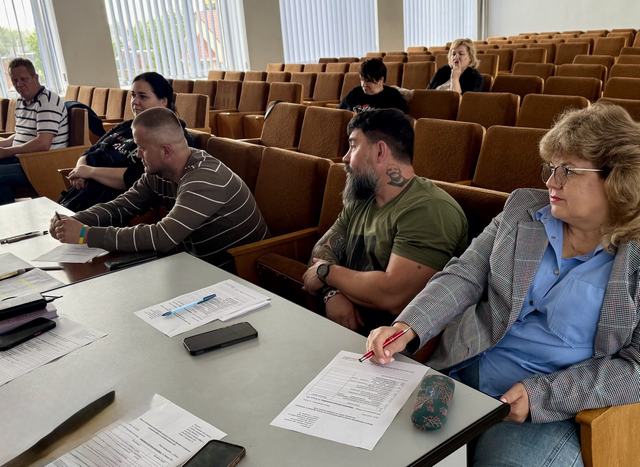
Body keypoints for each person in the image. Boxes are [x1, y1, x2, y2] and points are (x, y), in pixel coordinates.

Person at [367, 103, 640, 466]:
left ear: (617, 177)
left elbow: (635, 369)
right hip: (466, 365)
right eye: (551, 168)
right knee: (384, 447)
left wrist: (542, 395)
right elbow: (465, 274)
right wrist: (408, 325)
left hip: (551, 405)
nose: (551, 181)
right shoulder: (521, 208)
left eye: (567, 170)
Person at [302, 108, 467, 334]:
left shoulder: (429, 209)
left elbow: (393, 296)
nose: (345, 157)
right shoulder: (363, 198)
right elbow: (323, 249)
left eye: (353, 146)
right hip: (346, 331)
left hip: (396, 343)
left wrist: (327, 273)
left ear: (380, 151)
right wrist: (331, 293)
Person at [50, 107, 269, 269]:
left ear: (166, 151)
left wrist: (85, 234)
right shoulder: (158, 173)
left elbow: (162, 237)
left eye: (142, 148)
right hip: (198, 264)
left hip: (240, 269)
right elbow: (121, 206)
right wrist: (72, 221)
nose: (137, 154)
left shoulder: (204, 179)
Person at [59, 72, 191, 211]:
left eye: (142, 96)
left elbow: (136, 177)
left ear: (163, 101)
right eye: (133, 95)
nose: (135, 102)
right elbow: (89, 152)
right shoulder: (126, 126)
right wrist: (80, 172)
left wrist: (91, 172)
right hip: (80, 195)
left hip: (112, 205)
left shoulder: (172, 136)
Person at [0, 58, 68, 204]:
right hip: (22, 159)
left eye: (23, 79)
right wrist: (4, 144)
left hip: (41, 162)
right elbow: (21, 135)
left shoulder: (47, 101)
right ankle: (10, 215)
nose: (19, 84)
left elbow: (43, 143)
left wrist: (6, 152)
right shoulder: (21, 101)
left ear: (35, 77)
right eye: (15, 80)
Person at [338, 58, 409, 114]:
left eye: (368, 80)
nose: (363, 84)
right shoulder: (355, 93)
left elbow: (401, 120)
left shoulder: (393, 96)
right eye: (362, 80)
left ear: (381, 80)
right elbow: (340, 112)